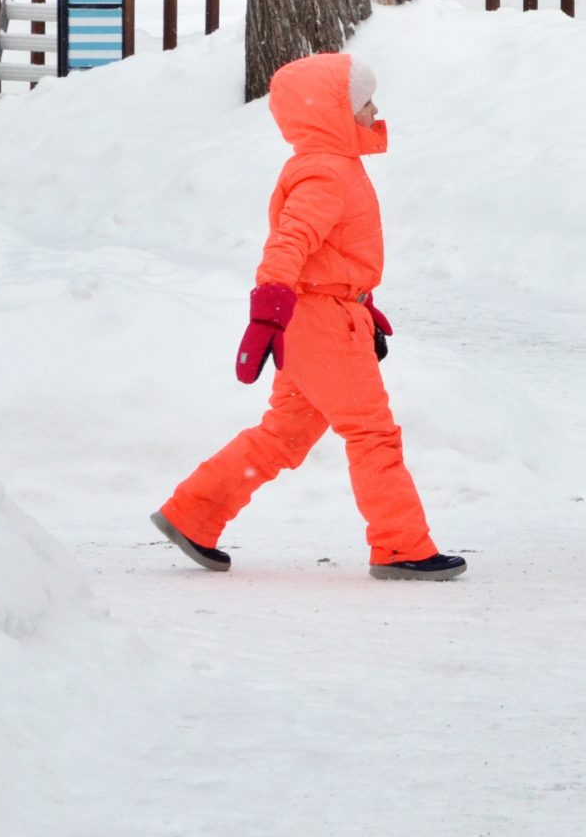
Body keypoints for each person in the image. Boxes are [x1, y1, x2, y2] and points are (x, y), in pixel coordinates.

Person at [152, 52, 465, 580]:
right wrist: (269, 310)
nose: (374, 110)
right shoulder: (324, 172)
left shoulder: (332, 166)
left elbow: (330, 254)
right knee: (372, 432)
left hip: (324, 316)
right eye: (364, 102)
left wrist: (364, 304)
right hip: (321, 323)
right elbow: (290, 243)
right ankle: (399, 545)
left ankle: (194, 513)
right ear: (333, 113)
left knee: (283, 435)